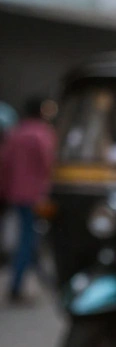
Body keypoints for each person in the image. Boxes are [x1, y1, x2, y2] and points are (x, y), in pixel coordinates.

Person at [0, 98, 55, 302]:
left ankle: (30, 280)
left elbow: (4, 165)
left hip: (16, 194)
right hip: (36, 196)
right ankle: (18, 285)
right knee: (28, 239)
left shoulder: (16, 134)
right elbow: (49, 166)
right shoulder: (42, 135)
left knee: (28, 237)